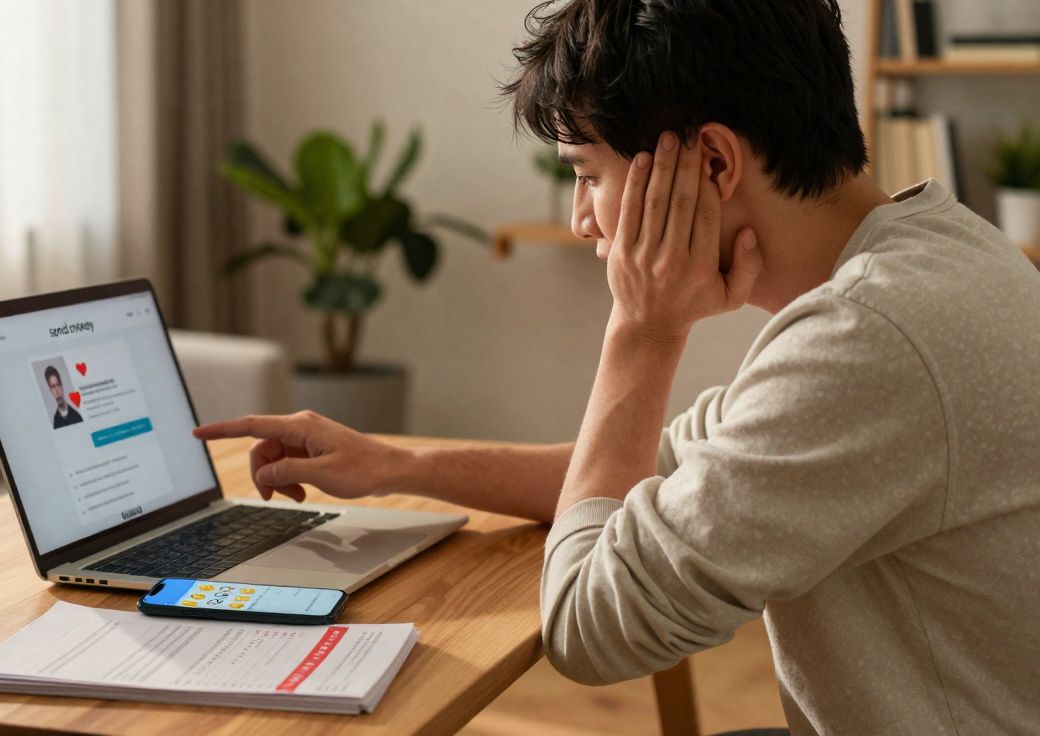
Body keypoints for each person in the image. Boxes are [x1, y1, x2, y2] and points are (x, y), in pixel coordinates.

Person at [196, 0, 1040, 732]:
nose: (581, 221)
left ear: (710, 164)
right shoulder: (926, 255)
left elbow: (590, 627)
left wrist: (639, 332)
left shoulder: (869, 338)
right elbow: (659, 478)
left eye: (588, 174)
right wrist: (396, 464)